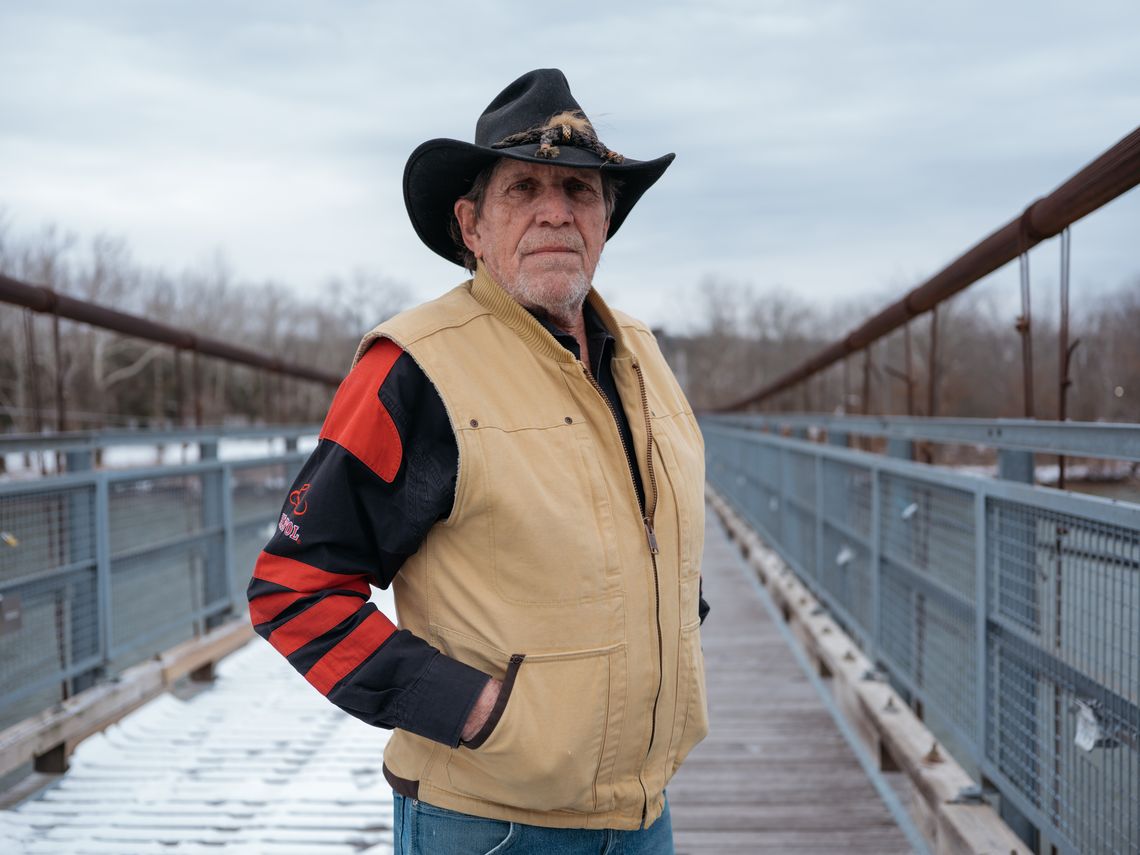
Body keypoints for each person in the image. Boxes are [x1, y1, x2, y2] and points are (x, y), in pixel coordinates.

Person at [247, 68, 708, 854]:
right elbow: (292, 589)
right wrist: (471, 706)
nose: (555, 211)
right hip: (489, 825)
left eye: (580, 190)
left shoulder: (644, 357)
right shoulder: (417, 370)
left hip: (644, 815)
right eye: (523, 188)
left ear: (607, 217)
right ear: (472, 225)